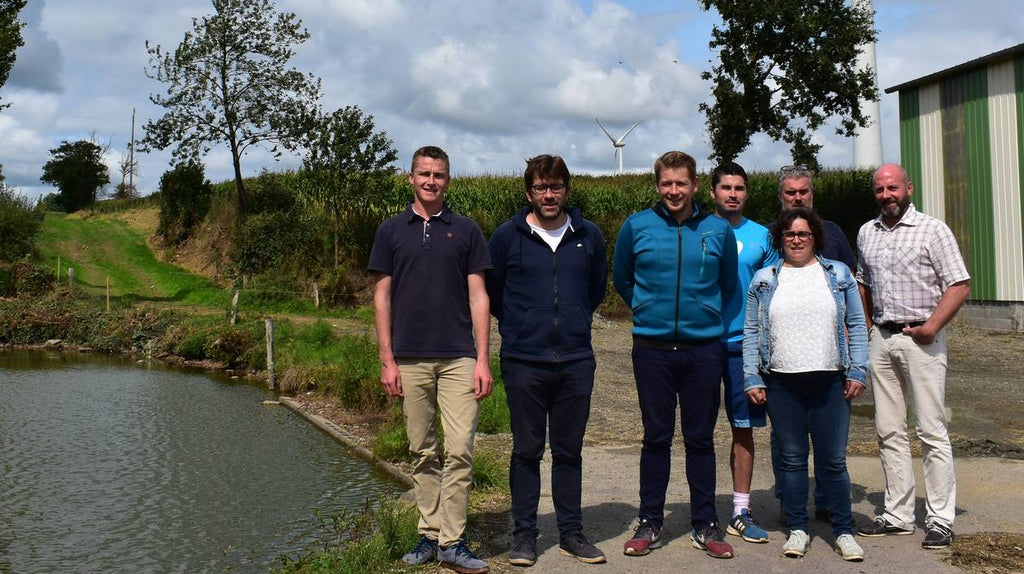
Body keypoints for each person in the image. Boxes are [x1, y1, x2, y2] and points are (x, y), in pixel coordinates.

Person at [368, 146, 493, 574]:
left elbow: (479, 296)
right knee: (422, 449)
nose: (431, 181)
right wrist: (387, 359)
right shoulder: (390, 231)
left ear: (449, 181)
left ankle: (453, 542)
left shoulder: (467, 230)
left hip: (459, 356)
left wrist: (483, 359)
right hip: (409, 358)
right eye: (424, 173)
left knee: (459, 451)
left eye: (439, 174)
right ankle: (428, 532)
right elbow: (382, 296)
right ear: (411, 178)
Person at [613, 151, 738, 560]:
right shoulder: (637, 226)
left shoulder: (717, 229)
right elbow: (622, 278)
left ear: (695, 185)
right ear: (657, 185)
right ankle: (650, 520)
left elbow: (728, 285)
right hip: (652, 349)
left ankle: (705, 522)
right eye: (666, 183)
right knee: (656, 437)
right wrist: (646, 309)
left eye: (681, 183)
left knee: (700, 439)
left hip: (703, 349)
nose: (673, 190)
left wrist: (706, 317)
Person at [487, 154, 608, 567]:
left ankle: (572, 533)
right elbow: (495, 293)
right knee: (526, 451)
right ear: (529, 192)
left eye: (556, 186)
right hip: (524, 360)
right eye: (541, 187)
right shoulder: (507, 237)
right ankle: (524, 535)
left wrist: (571, 321)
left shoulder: (588, 236)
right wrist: (522, 325)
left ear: (567, 190)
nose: (549, 194)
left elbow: (595, 290)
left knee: (568, 451)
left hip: (575, 359)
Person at [742, 208, 868, 562]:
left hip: (830, 380)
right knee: (793, 460)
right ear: (780, 239)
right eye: (790, 234)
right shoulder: (764, 279)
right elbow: (751, 332)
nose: (797, 240)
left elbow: (857, 324)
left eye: (803, 234)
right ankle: (798, 528)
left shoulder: (838, 274)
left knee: (832, 462)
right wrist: (752, 376)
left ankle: (844, 530)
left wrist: (858, 370)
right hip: (781, 383)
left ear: (815, 237)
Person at [855, 163, 970, 550]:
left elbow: (959, 283)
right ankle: (898, 514)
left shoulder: (932, 230)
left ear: (909, 188)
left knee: (931, 431)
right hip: (883, 340)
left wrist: (932, 327)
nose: (887, 195)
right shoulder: (866, 232)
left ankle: (939, 518)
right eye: (880, 190)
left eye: (893, 188)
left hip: (921, 338)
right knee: (889, 431)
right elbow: (863, 284)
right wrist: (869, 327)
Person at [773, 164, 857, 522]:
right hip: (784, 357)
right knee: (785, 442)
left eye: (803, 192)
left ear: (812, 194)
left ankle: (826, 501)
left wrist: (856, 339)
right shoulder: (771, 235)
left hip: (829, 354)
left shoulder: (833, 233)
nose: (797, 198)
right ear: (781, 197)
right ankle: (788, 501)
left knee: (829, 442)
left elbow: (853, 286)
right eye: (790, 193)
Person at [709, 162, 778, 545]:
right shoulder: (698, 229)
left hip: (743, 347)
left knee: (744, 428)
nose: (732, 194)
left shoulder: (762, 237)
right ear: (713, 192)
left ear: (746, 193)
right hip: (702, 343)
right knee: (698, 431)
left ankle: (739, 510)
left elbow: (771, 292)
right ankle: (703, 511)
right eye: (725, 188)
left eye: (739, 188)